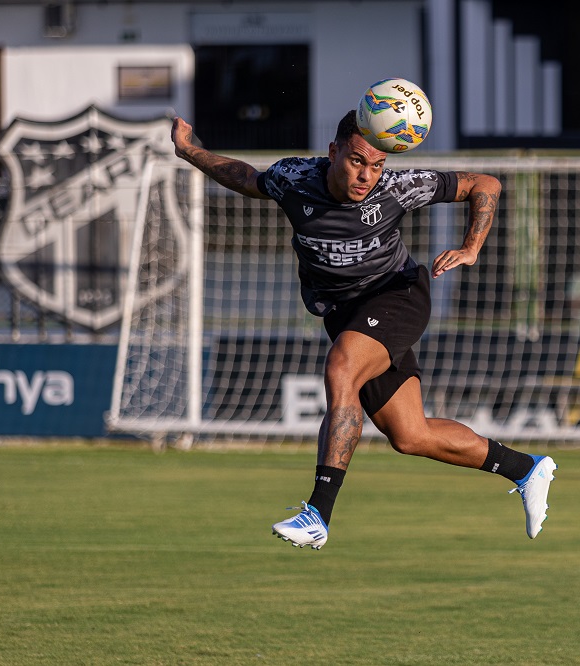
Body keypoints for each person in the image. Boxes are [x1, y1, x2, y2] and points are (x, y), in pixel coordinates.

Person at [171, 109, 556, 550]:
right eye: (357, 161)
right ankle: (526, 468)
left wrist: (471, 247)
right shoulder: (294, 178)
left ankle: (317, 513)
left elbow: (485, 184)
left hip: (398, 297)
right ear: (333, 152)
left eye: (377, 165)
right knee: (410, 436)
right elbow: (246, 178)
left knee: (342, 370)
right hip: (344, 313)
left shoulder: (397, 187)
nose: (367, 175)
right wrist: (188, 150)